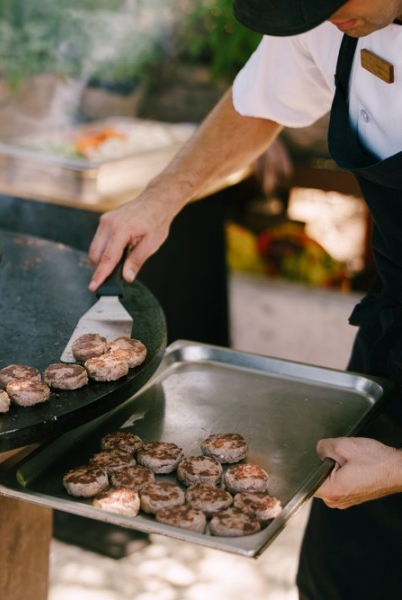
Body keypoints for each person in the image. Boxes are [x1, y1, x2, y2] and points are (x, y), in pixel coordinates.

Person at [86, 1, 402, 597]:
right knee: (343, 579)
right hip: (393, 337)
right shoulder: (329, 17)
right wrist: (164, 195)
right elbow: (258, 102)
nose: (326, 19)